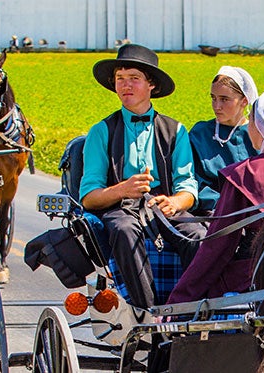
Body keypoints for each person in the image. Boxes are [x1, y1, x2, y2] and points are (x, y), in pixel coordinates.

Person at [168, 90, 264, 304]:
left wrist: (179, 299)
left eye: (250, 119)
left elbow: (217, 247)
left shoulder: (244, 175)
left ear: (258, 127)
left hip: (256, 278)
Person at [81, 44, 206, 309]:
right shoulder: (100, 132)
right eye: (120, 79)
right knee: (125, 231)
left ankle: (189, 310)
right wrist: (123, 189)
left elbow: (188, 187)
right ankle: (148, 312)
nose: (125, 85)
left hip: (164, 208)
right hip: (120, 208)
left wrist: (175, 202)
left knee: (197, 235)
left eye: (134, 79)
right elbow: (89, 198)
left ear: (152, 85)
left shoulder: (176, 131)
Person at [187, 66, 259, 216]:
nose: (216, 106)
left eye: (224, 99)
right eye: (213, 98)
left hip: (254, 215)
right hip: (211, 215)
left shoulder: (257, 134)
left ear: (244, 101)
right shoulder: (200, 134)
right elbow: (193, 180)